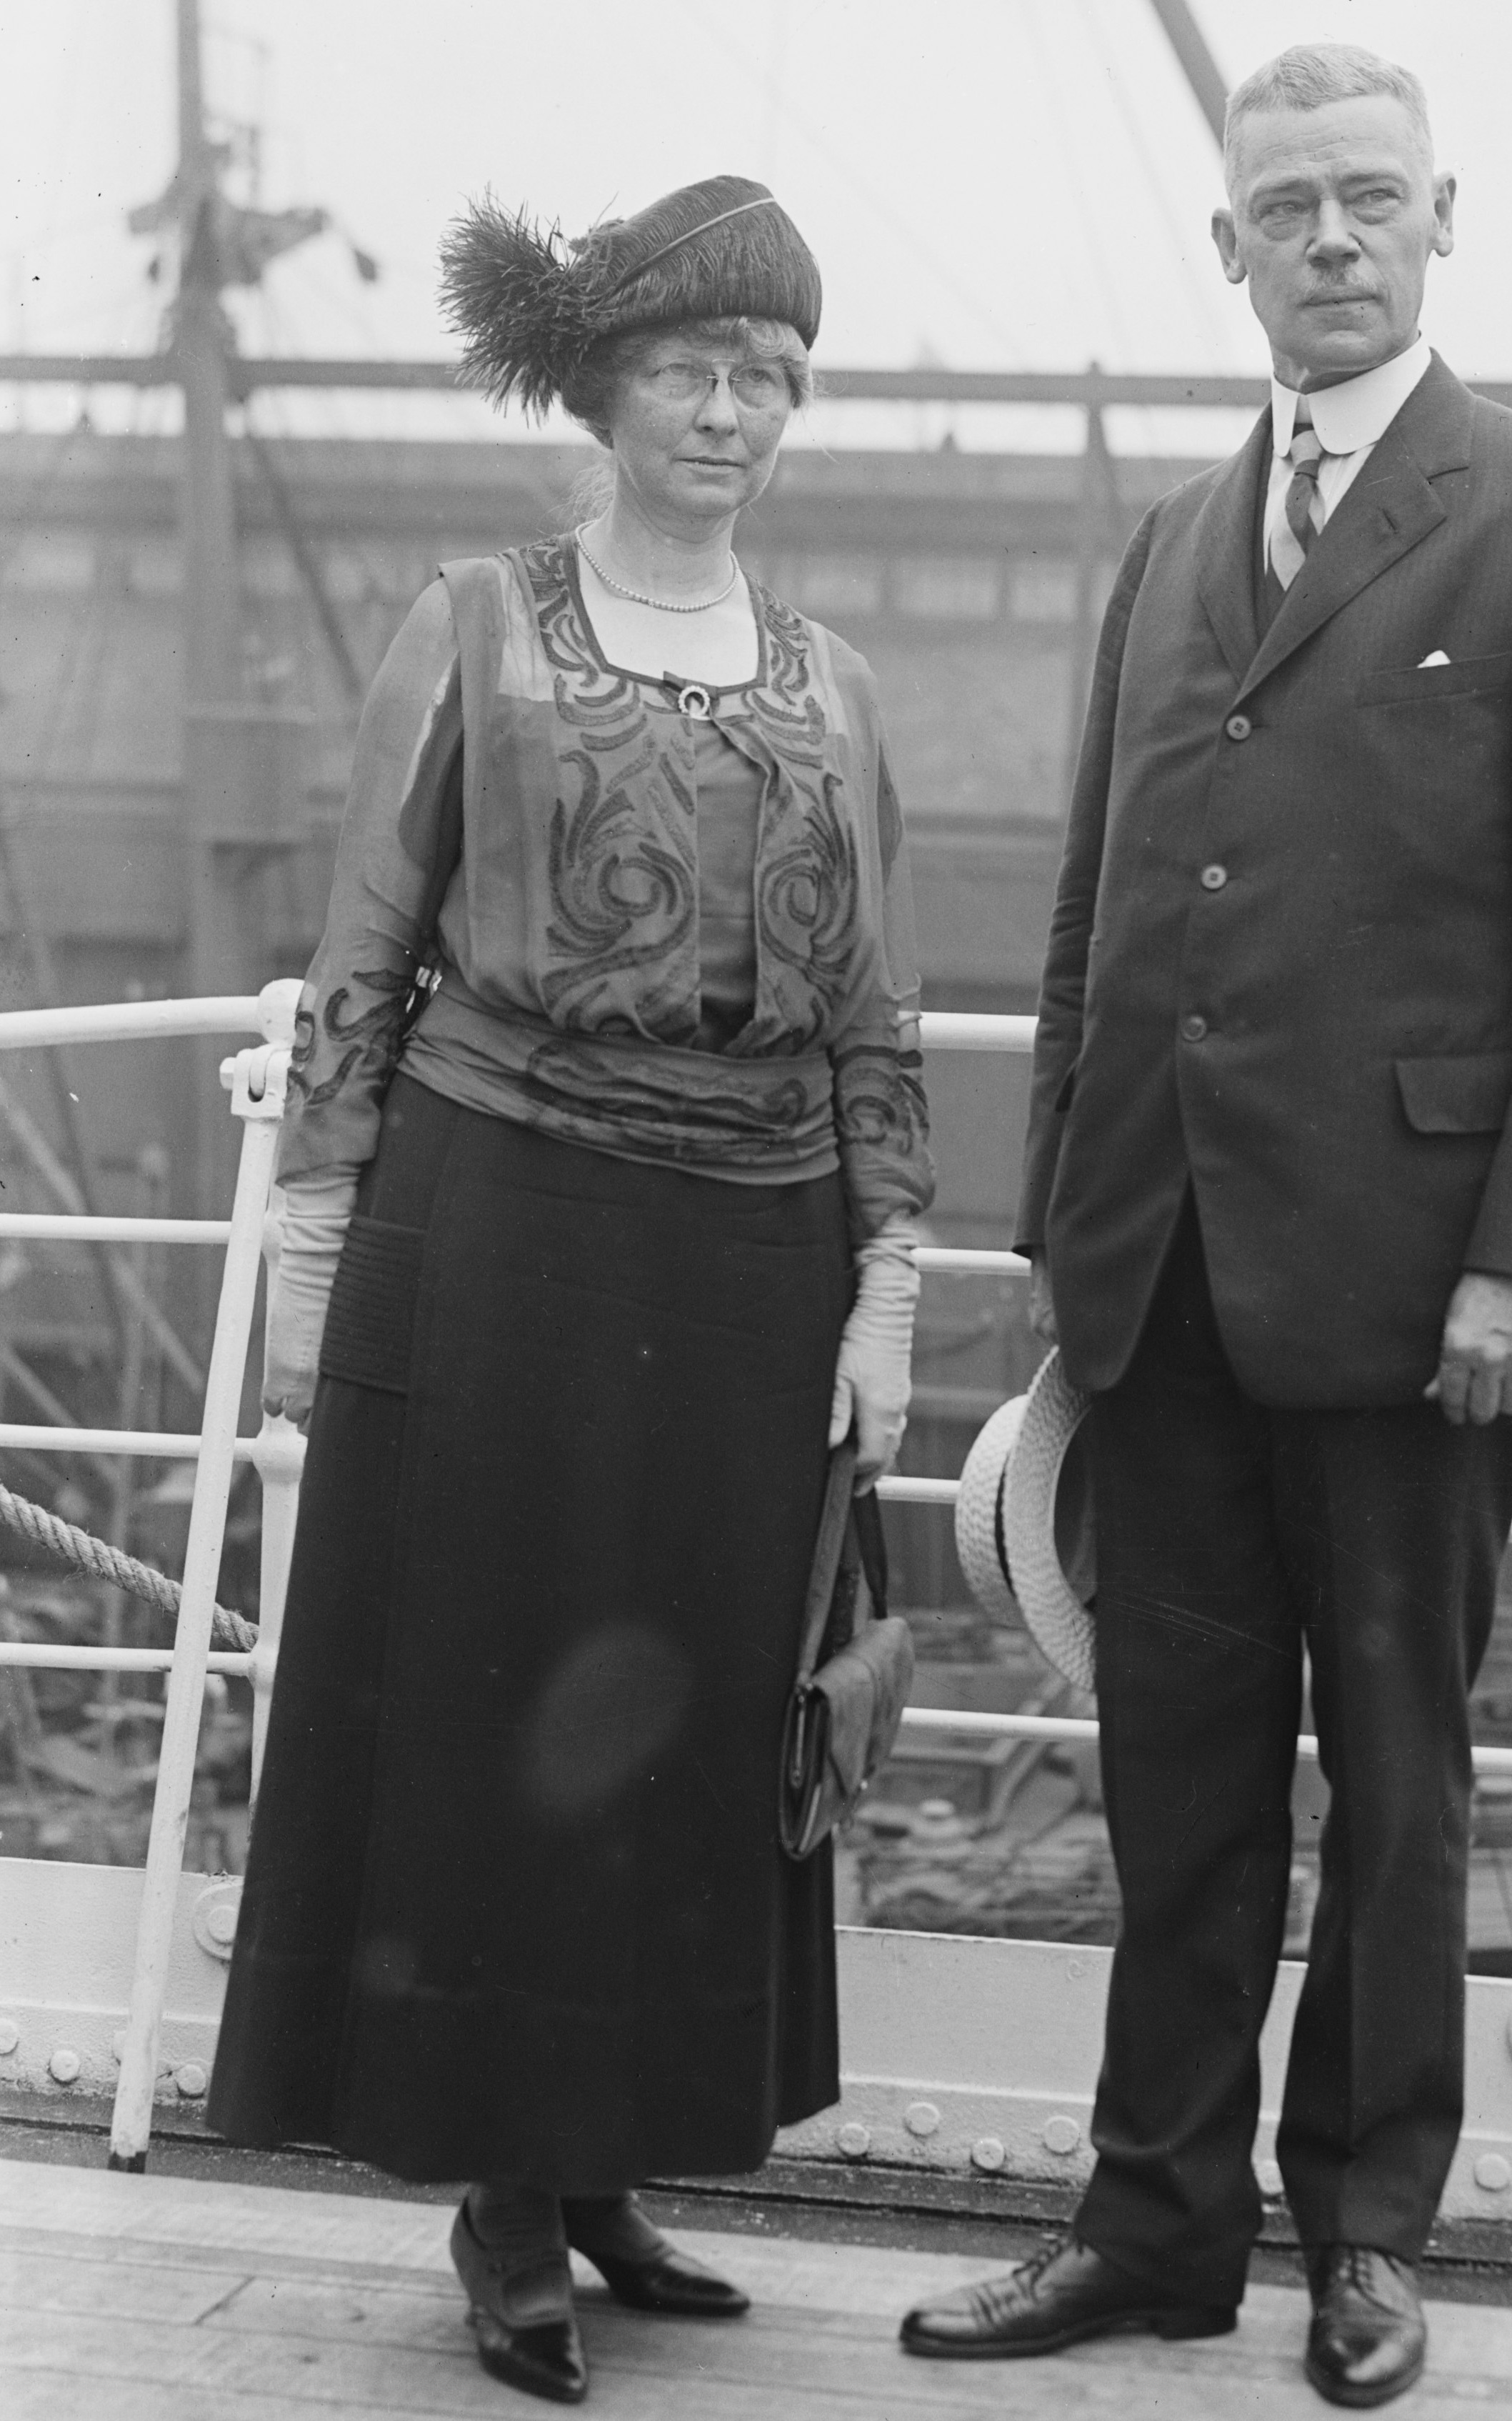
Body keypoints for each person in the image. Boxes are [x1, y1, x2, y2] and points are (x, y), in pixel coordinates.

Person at [899, 44, 1512, 2410]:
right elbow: (1093, 919)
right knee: (1179, 1783)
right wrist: (1064, 1243)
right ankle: (1149, 2230)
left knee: (1402, 1786)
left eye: (1366, 198)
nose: (1326, 238)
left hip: (1419, 1289)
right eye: (1283, 208)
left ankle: (1363, 2233)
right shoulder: (1170, 541)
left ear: (1443, 216)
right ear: (1223, 243)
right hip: (1158, 1282)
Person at [208, 176, 933, 2407]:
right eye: (693, 370)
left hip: (755, 1252)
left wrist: (889, 1275)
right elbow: (365, 945)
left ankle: (611, 2161)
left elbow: (876, 1004)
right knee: (499, 1702)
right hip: (502, 1218)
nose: (732, 411)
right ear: (602, 391)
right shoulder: (477, 625)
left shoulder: (833, 684)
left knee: (691, 1718)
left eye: (771, 378)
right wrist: (319, 1244)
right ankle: (502, 2199)